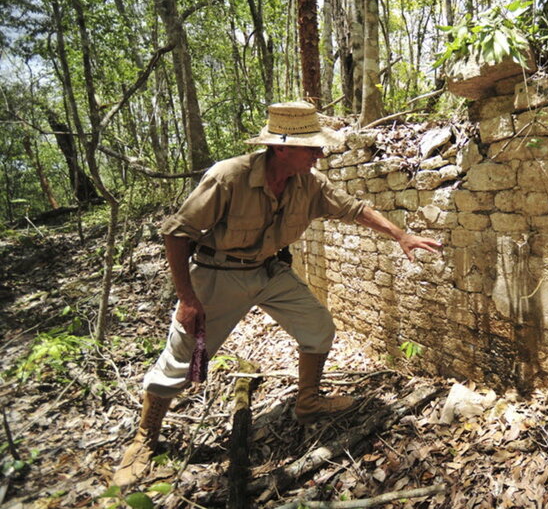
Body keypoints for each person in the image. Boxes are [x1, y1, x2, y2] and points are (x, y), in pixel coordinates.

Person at [113, 101, 442, 487]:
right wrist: (188, 298)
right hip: (218, 274)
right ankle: (144, 439)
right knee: (184, 357)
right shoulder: (229, 177)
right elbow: (176, 233)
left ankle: (308, 402)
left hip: (270, 271)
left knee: (318, 327)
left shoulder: (309, 183)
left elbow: (353, 208)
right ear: (281, 147)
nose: (320, 154)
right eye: (312, 147)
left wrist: (401, 235)